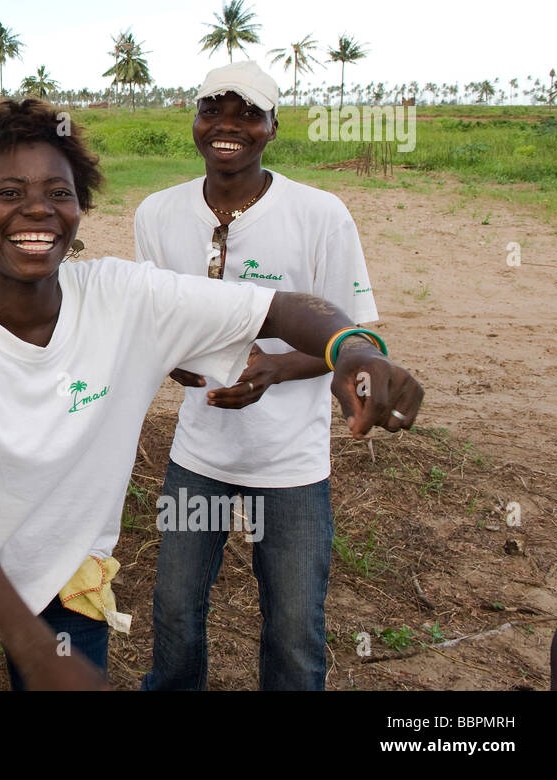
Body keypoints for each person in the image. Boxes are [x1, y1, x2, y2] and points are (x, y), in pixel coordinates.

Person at [0, 98, 423, 691]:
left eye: (59, 193)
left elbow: (282, 307)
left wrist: (354, 349)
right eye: (8, 193)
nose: (38, 210)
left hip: (65, 586)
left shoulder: (125, 298)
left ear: (80, 206)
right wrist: (31, 649)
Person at [134, 60, 379, 690]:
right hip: (198, 455)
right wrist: (179, 364)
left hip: (290, 463)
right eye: (212, 109)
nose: (227, 126)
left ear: (273, 127)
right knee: (175, 612)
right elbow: (151, 324)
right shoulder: (158, 216)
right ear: (195, 120)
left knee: (295, 629)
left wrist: (274, 367)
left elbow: (361, 338)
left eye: (248, 113)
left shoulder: (320, 215)